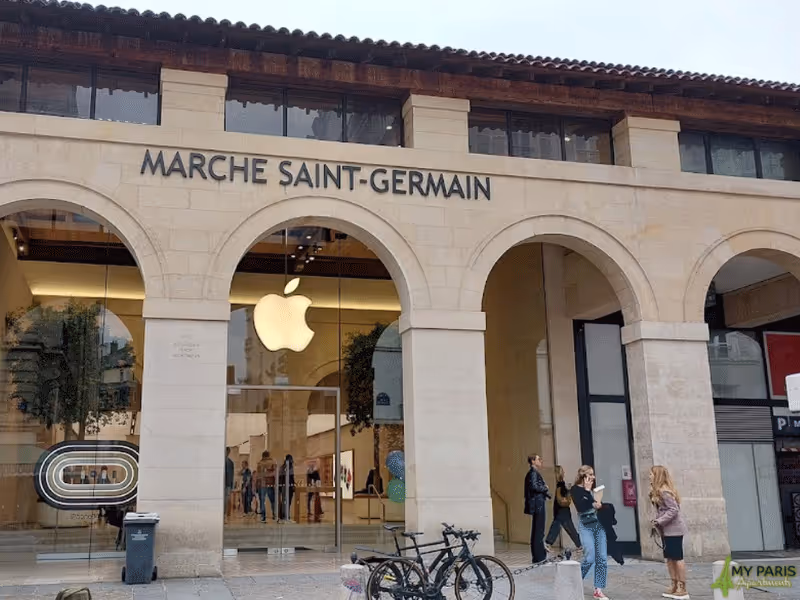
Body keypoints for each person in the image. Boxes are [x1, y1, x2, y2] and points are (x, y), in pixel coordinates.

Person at [650, 465, 690, 600]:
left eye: (651, 474)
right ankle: (674, 584)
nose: (649, 476)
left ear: (657, 476)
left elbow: (673, 510)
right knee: (670, 558)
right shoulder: (658, 491)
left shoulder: (664, 491)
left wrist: (659, 521)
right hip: (666, 531)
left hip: (674, 530)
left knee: (677, 558)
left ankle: (682, 587)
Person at [571, 465, 609, 600]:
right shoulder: (575, 490)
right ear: (583, 476)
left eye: (593, 474)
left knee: (602, 558)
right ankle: (575, 582)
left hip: (598, 525)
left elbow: (595, 504)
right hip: (586, 525)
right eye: (590, 474)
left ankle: (598, 589)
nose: (593, 477)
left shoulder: (594, 490)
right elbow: (581, 506)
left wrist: (599, 505)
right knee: (590, 557)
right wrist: (587, 492)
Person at [544, 465, 582, 554]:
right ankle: (580, 544)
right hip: (562, 510)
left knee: (561, 526)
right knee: (567, 527)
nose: (564, 473)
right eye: (563, 471)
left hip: (560, 510)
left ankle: (548, 543)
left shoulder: (559, 484)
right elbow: (563, 497)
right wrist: (569, 491)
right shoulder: (561, 484)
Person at [524, 453, 550, 564]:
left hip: (537, 503)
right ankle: (540, 557)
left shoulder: (532, 473)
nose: (541, 461)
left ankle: (538, 556)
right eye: (539, 459)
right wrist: (544, 488)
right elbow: (534, 487)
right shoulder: (533, 473)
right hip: (538, 504)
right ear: (533, 461)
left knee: (537, 530)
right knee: (539, 531)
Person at [255, 451, 277, 522]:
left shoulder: (260, 463)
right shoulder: (273, 462)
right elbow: (275, 473)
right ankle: (274, 514)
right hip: (270, 484)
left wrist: (257, 485)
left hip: (262, 484)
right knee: (272, 500)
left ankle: (263, 516)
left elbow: (258, 475)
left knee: (262, 501)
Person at [278, 454, 296, 522]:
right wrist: (293, 485)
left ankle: (284, 515)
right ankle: (286, 515)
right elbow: (291, 477)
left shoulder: (282, 467)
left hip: (283, 486)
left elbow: (280, 477)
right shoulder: (290, 467)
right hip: (288, 486)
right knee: (287, 501)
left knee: (284, 501)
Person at [224, 447, 234, 523]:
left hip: (227, 484)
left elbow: (232, 474)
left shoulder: (231, 462)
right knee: (223, 500)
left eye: (228, 452)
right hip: (222, 484)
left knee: (227, 500)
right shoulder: (220, 460)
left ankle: (224, 515)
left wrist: (231, 485)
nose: (227, 453)